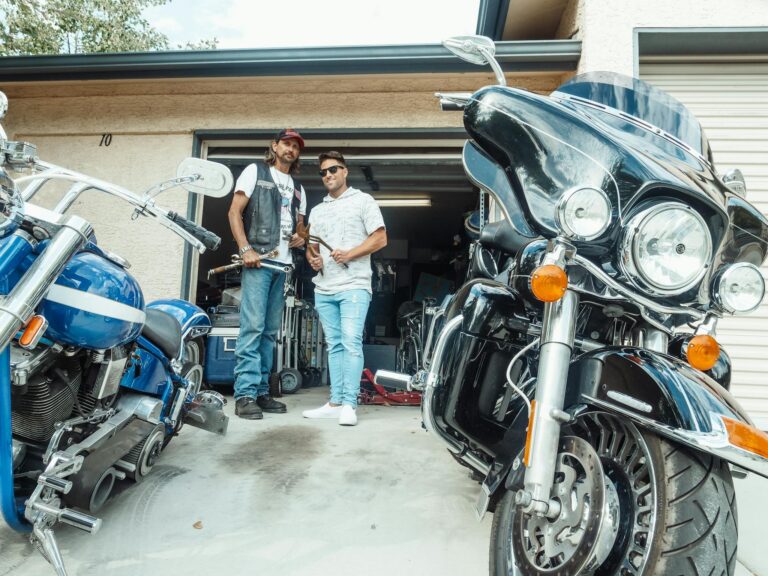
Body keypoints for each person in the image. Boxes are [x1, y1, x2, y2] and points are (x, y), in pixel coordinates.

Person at [302, 151, 387, 426]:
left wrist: (350, 254)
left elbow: (380, 238)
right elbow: (311, 247)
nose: (328, 175)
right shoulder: (318, 210)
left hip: (354, 286)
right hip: (324, 288)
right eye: (324, 172)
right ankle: (335, 401)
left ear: (345, 171)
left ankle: (350, 403)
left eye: (333, 169)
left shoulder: (363, 201)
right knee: (334, 345)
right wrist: (312, 258)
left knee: (351, 343)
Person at [227, 129, 307, 420]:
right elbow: (234, 212)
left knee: (270, 332)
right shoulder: (255, 171)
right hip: (259, 263)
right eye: (286, 143)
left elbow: (300, 228)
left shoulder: (299, 189)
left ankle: (261, 392)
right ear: (274, 146)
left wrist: (301, 238)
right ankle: (245, 394)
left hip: (283, 267)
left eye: (295, 146)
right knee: (252, 328)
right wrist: (245, 248)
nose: (290, 149)